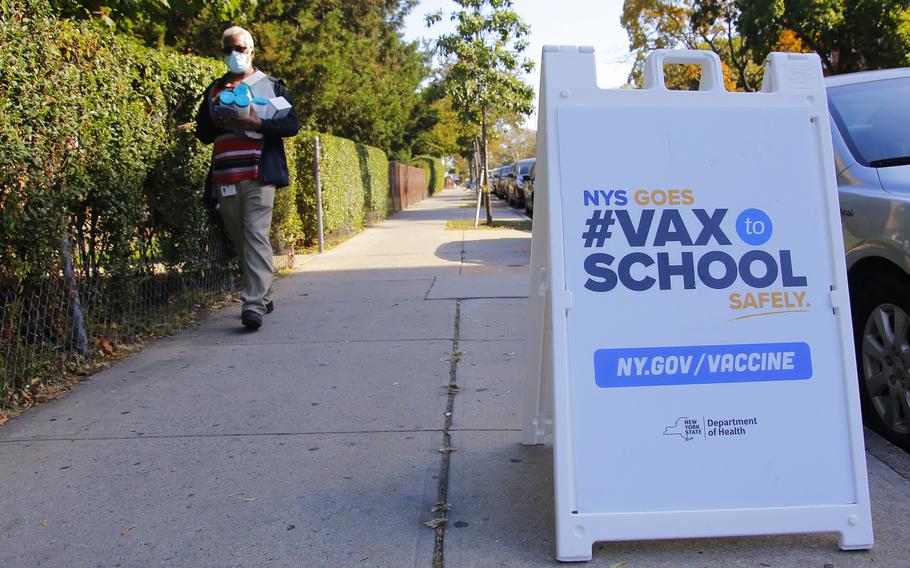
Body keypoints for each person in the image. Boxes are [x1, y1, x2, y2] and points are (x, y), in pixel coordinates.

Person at [195, 25, 300, 330]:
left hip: (259, 173)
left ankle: (251, 305)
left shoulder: (270, 86)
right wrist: (216, 121)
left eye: (239, 49)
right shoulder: (215, 88)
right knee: (241, 238)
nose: (234, 54)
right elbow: (203, 133)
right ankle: (264, 294)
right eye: (228, 49)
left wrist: (258, 122)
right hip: (226, 175)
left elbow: (292, 125)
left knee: (255, 232)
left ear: (251, 51)